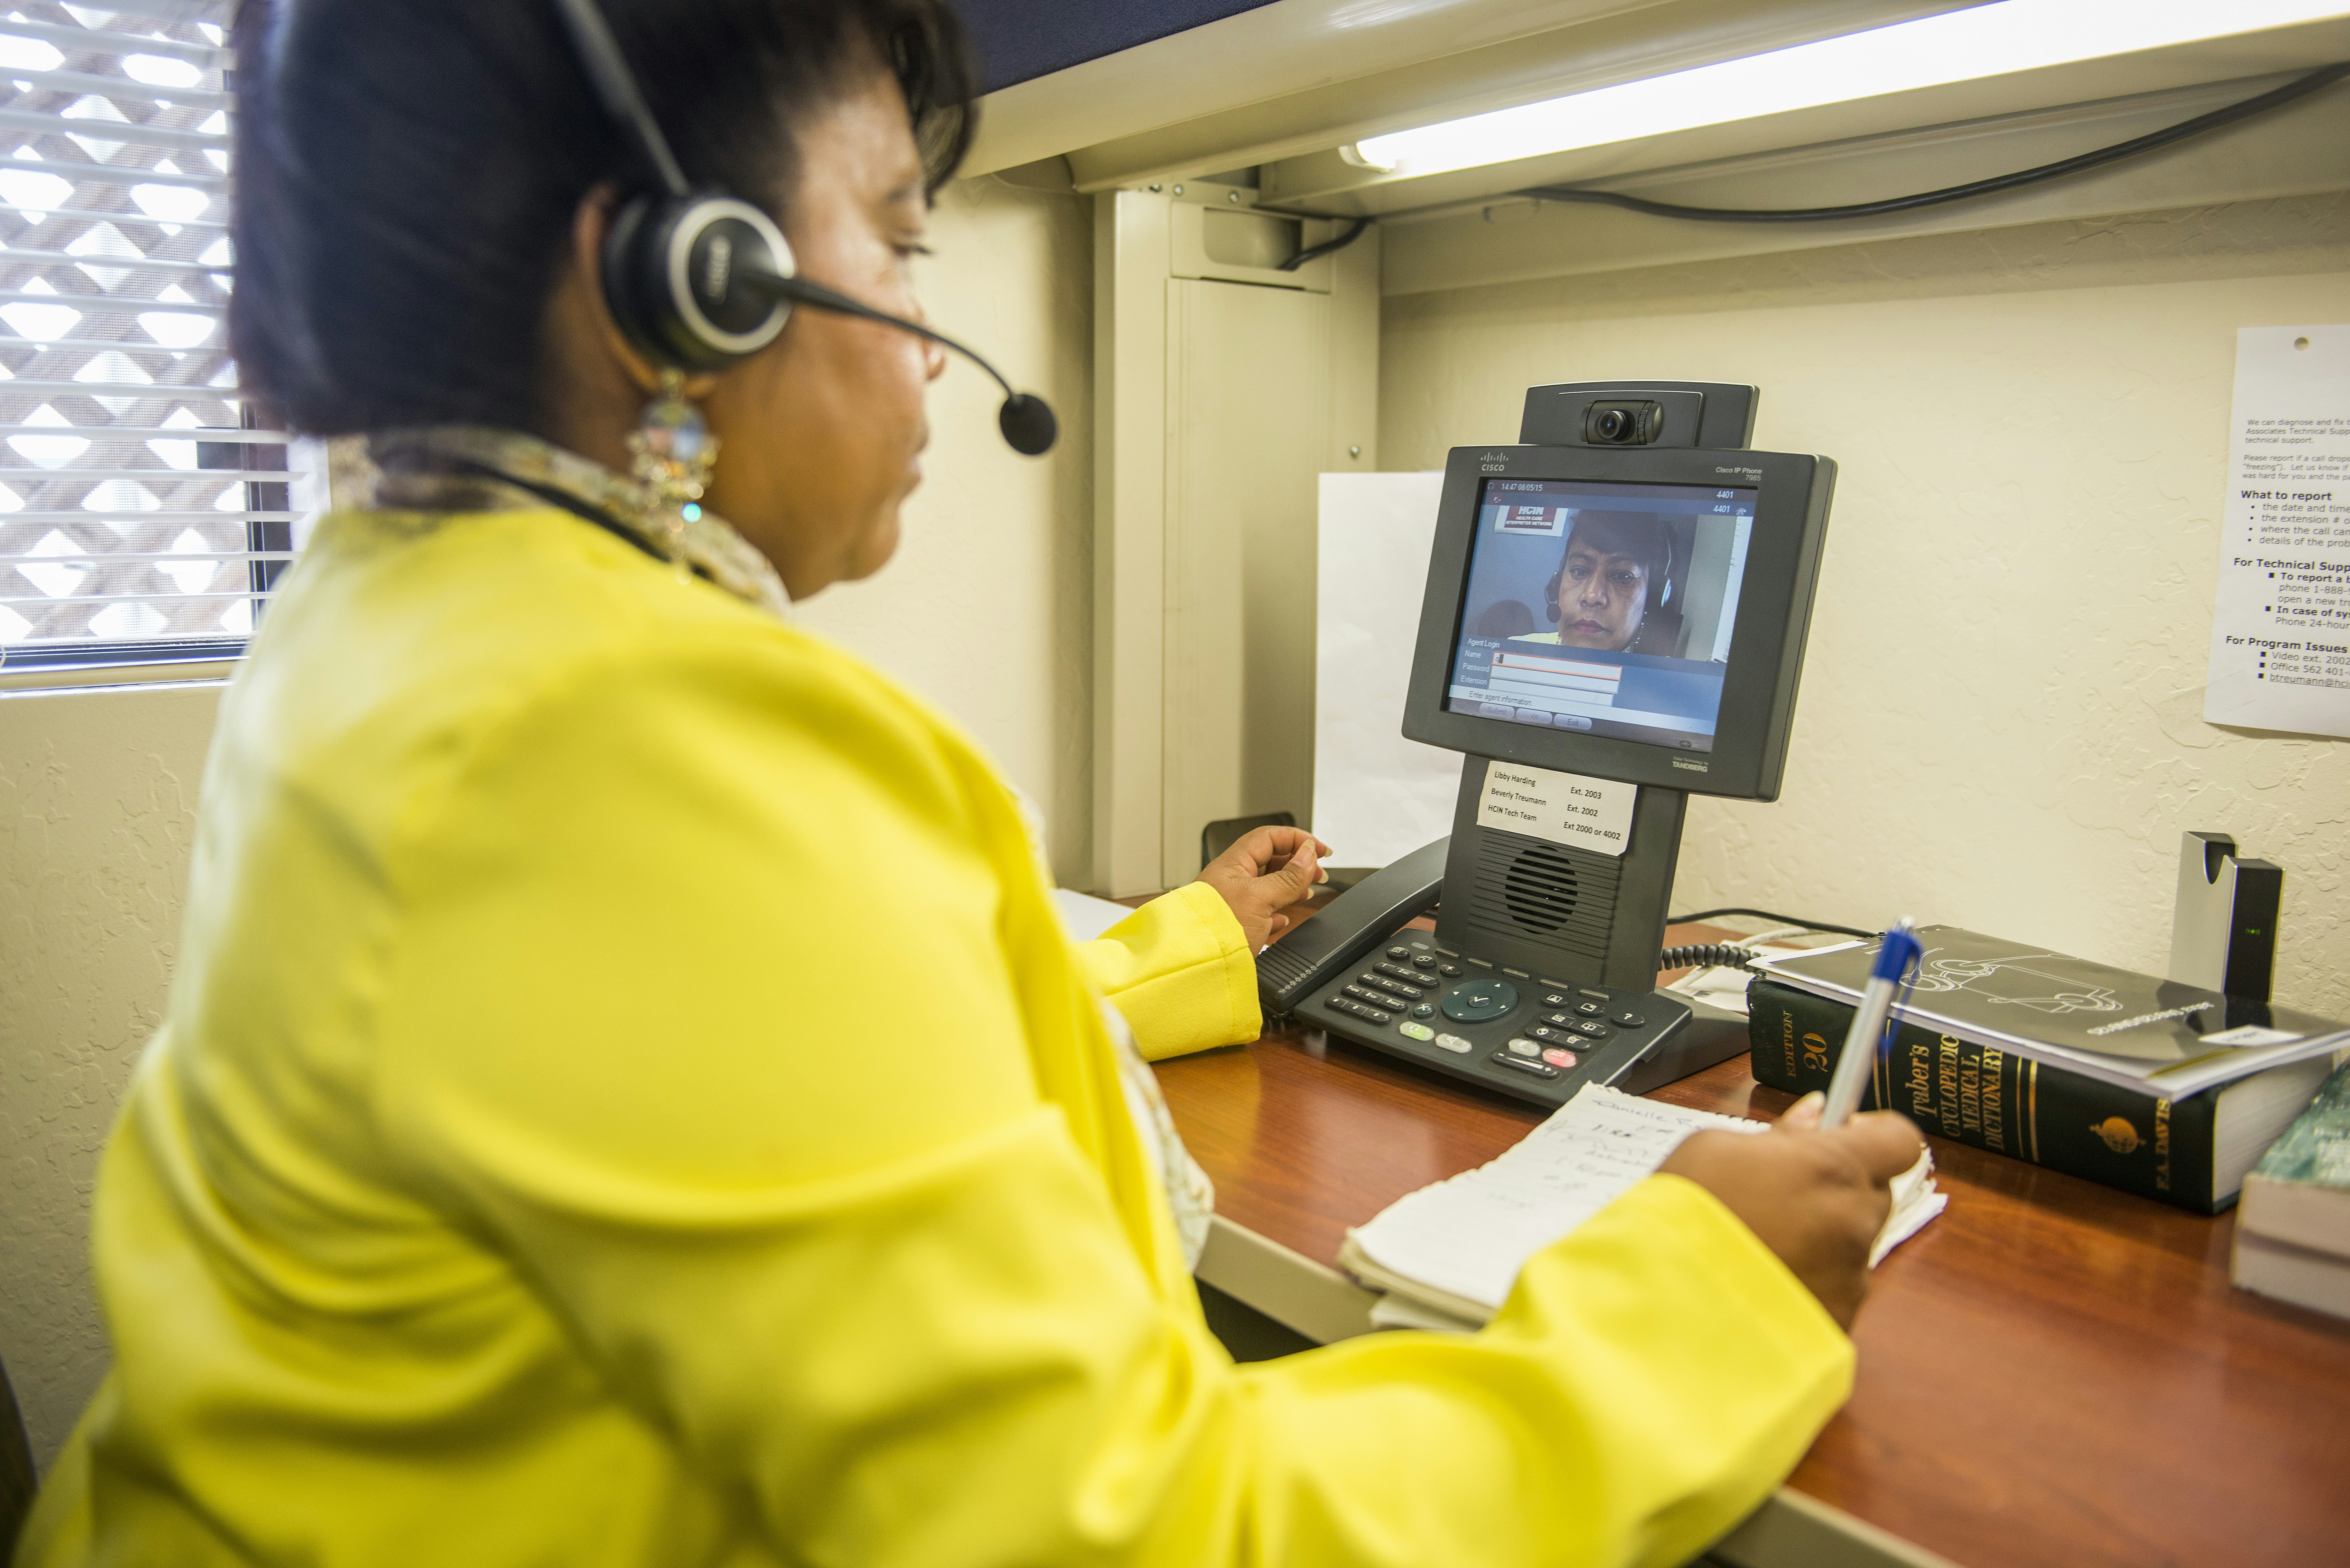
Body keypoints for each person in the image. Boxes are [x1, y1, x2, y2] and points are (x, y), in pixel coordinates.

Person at [17, 3, 1925, 1564]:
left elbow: (715, 1075)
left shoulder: (397, 611)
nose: (935, 355)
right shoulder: (636, 734)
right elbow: (1141, 1535)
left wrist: (1187, 946)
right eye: (899, 243)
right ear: (691, 280)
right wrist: (1697, 1286)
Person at [1525, 511, 1675, 653]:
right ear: (1556, 584)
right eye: (1579, 571)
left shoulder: (1669, 676)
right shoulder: (1522, 650)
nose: (1591, 597)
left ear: (1653, 598)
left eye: (1623, 577)